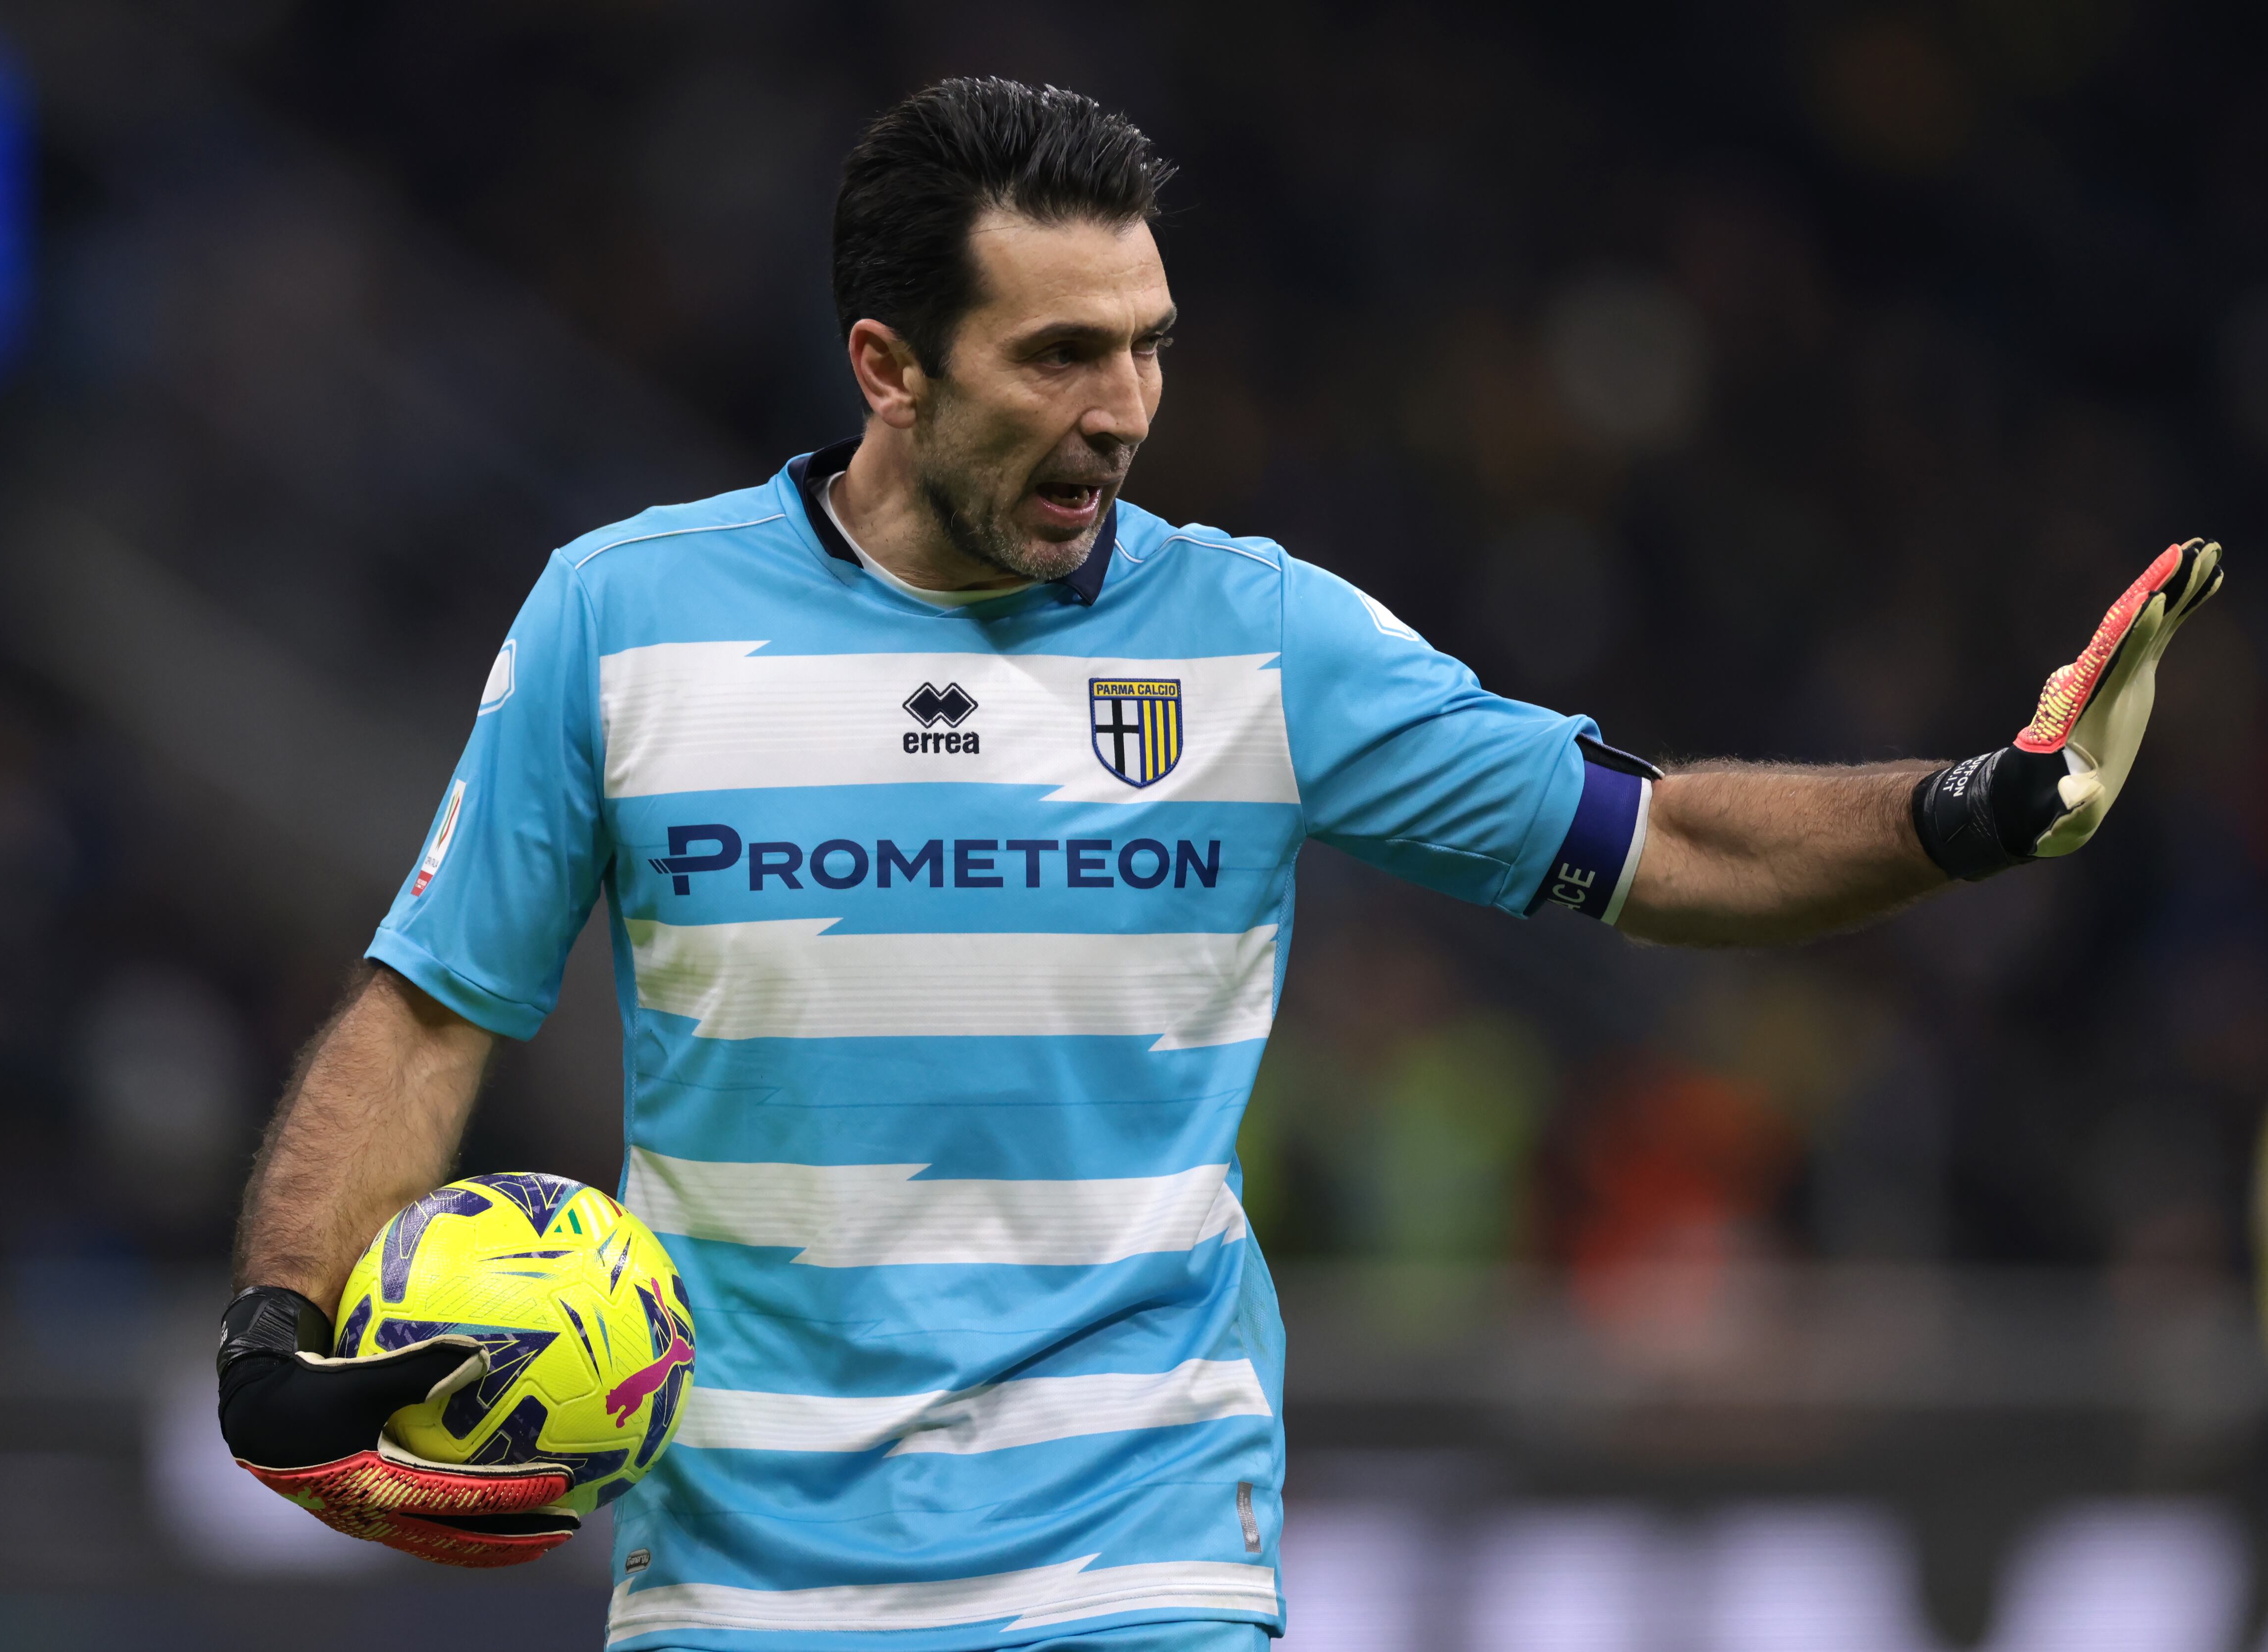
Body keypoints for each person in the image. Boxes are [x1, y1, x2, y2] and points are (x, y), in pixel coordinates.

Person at [213, 77, 2221, 1649]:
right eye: (1057, 357)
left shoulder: (1258, 639)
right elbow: (427, 1015)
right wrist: (282, 1325)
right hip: (750, 1581)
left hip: (1137, 1557)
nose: (1123, 412)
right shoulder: (621, 617)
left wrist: (1972, 811)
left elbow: (1670, 839)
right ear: (888, 367)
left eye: (1147, 346)